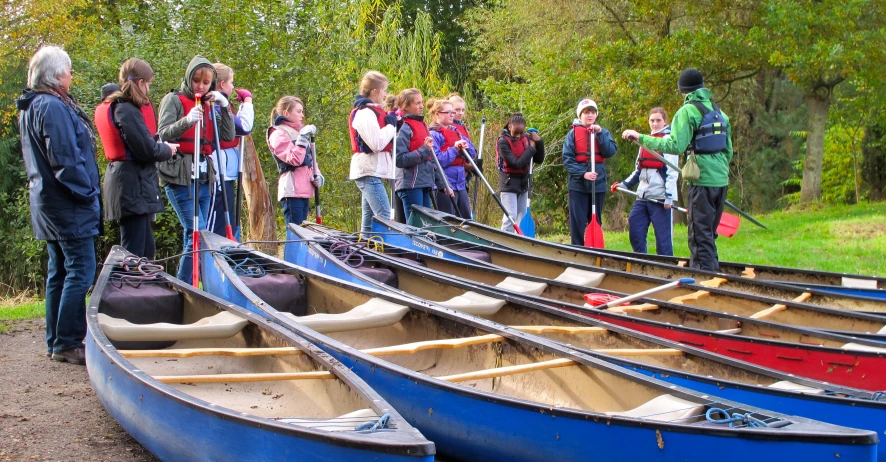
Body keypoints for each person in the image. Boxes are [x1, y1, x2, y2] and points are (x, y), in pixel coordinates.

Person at [17, 46, 101, 365]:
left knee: (61, 271)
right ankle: (67, 341)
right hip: (66, 203)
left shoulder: (34, 105)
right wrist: (88, 193)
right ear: (55, 75)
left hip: (49, 201)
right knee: (80, 270)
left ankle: (56, 341)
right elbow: (65, 159)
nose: (71, 75)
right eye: (68, 70)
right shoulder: (50, 106)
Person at [622, 69, 732, 270]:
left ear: (684, 91)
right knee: (708, 234)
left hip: (701, 182)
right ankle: (709, 272)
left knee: (699, 236)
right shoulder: (720, 112)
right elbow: (728, 150)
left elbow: (675, 146)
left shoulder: (687, 111)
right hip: (721, 180)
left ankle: (705, 280)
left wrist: (642, 138)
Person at [158, 55, 235, 282]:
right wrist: (187, 121)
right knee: (198, 235)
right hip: (179, 176)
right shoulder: (173, 100)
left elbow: (228, 136)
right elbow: (163, 133)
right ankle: (186, 286)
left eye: (205, 82)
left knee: (193, 237)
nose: (200, 87)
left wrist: (225, 107)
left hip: (203, 178)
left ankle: (185, 287)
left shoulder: (211, 102)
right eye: (197, 81)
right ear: (189, 78)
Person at [95, 59, 177, 259]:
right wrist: (167, 149)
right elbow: (145, 149)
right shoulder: (126, 109)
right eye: (148, 84)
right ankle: (131, 289)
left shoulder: (121, 107)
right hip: (131, 186)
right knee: (133, 253)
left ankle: (144, 288)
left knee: (146, 251)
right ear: (140, 83)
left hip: (130, 184)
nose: (148, 89)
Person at [611, 107, 677, 256]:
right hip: (643, 195)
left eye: (658, 120)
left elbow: (672, 172)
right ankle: (642, 260)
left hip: (660, 197)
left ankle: (666, 266)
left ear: (665, 121)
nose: (655, 124)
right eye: (652, 120)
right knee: (635, 226)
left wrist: (669, 196)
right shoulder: (643, 142)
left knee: (663, 238)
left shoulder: (668, 141)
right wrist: (624, 184)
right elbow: (638, 170)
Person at [207, 63, 254, 241]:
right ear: (222, 84)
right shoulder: (215, 106)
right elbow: (244, 127)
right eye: (231, 82)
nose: (233, 87)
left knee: (227, 220)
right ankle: (210, 260)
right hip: (217, 171)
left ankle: (227, 252)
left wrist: (242, 107)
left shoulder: (221, 105)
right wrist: (248, 102)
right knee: (217, 222)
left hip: (226, 171)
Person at [562, 98, 617, 245]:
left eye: (592, 112)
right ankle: (577, 251)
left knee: (595, 219)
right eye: (586, 113)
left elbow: (610, 151)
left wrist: (599, 135)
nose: (590, 115)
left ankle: (594, 251)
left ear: (596, 115)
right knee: (578, 223)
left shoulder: (603, 133)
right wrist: (583, 173)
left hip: (597, 185)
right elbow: (567, 160)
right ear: (580, 115)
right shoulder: (572, 135)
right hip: (578, 185)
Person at [349, 71, 396, 233]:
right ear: (375, 91)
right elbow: (376, 144)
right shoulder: (365, 113)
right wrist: (391, 127)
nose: (385, 94)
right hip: (367, 171)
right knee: (384, 216)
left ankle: (363, 251)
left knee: (368, 222)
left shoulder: (372, 112)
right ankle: (385, 252)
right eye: (384, 90)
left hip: (371, 170)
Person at [268, 96, 324, 225]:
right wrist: (303, 138)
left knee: (303, 234)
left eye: (302, 111)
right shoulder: (277, 134)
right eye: (298, 111)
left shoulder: (299, 133)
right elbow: (295, 159)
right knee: (296, 234)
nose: (302, 115)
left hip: (305, 189)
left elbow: (310, 160)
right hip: (292, 190)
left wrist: (318, 175)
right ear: (286, 113)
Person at [394, 89, 445, 219]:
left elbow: (431, 158)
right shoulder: (403, 127)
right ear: (406, 106)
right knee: (415, 225)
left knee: (426, 224)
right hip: (410, 184)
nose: (422, 106)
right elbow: (399, 159)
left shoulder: (422, 125)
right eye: (417, 103)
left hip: (424, 182)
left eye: (421, 102)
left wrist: (441, 182)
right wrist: (423, 149)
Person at [496, 113, 544, 233]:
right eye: (515, 132)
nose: (518, 136)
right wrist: (532, 148)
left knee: (521, 216)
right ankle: (504, 243)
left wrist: (539, 142)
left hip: (523, 182)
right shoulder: (503, 142)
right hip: (508, 182)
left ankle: (519, 242)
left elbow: (539, 159)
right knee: (510, 216)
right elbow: (516, 163)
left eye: (521, 133)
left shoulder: (527, 139)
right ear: (510, 127)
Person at [428, 98, 476, 218]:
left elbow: (473, 153)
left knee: (465, 219)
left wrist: (465, 147)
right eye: (448, 112)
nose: (452, 115)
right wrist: (455, 149)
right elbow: (438, 161)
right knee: (448, 219)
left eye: (452, 112)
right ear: (437, 114)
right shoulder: (433, 134)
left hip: (460, 183)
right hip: (444, 183)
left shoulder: (456, 132)